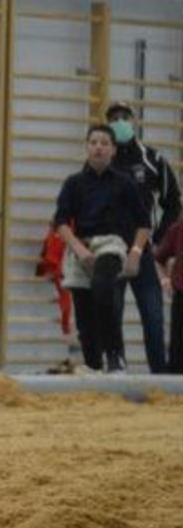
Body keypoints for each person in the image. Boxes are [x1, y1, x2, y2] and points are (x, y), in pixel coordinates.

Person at [52, 124, 150, 373]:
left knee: (103, 288)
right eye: (94, 142)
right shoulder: (73, 183)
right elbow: (60, 222)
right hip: (81, 246)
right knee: (84, 315)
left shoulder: (125, 183)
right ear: (86, 147)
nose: (98, 147)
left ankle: (116, 354)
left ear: (113, 150)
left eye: (105, 143)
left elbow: (143, 223)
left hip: (111, 244)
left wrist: (135, 253)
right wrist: (79, 249)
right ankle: (94, 365)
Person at [105, 101, 179, 373]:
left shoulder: (153, 158)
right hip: (110, 252)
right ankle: (117, 373)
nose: (119, 121)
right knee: (111, 316)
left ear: (134, 121)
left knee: (153, 316)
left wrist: (159, 240)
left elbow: (173, 202)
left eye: (124, 116)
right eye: (113, 117)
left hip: (145, 253)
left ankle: (160, 375)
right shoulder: (103, 160)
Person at [154, 218, 183, 373]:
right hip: (181, 295)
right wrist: (165, 280)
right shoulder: (177, 229)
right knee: (177, 353)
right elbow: (159, 259)